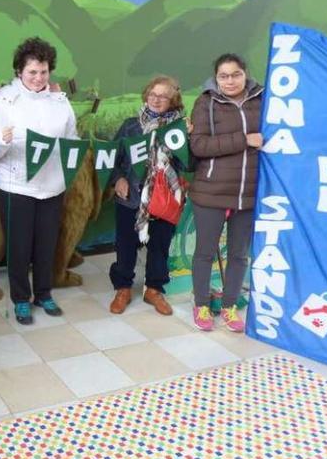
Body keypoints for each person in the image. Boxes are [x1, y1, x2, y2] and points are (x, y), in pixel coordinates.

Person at [0, 37, 79, 325]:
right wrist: (2, 140)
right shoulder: (3, 100)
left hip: (52, 186)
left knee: (47, 243)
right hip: (15, 186)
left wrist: (71, 155)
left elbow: (70, 139)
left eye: (44, 71)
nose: (38, 78)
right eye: (32, 72)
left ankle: (44, 293)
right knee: (19, 246)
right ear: (19, 72)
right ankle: (21, 299)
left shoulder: (60, 102)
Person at [188, 53, 264, 332]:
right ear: (215, 78)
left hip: (249, 193)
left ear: (245, 74)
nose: (230, 81)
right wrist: (244, 140)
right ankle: (201, 305)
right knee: (205, 253)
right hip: (211, 192)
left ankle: (231, 306)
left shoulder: (263, 100)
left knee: (239, 255)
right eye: (224, 76)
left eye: (235, 74)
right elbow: (199, 146)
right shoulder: (206, 102)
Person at [108, 76, 189, 316]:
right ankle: (123, 287)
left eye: (163, 96)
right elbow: (113, 157)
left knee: (159, 244)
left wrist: (190, 138)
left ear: (172, 101)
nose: (156, 99)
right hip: (131, 195)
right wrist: (118, 179)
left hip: (164, 197)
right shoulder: (130, 125)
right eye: (152, 94)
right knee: (125, 244)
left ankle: (154, 289)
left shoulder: (179, 129)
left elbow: (189, 163)